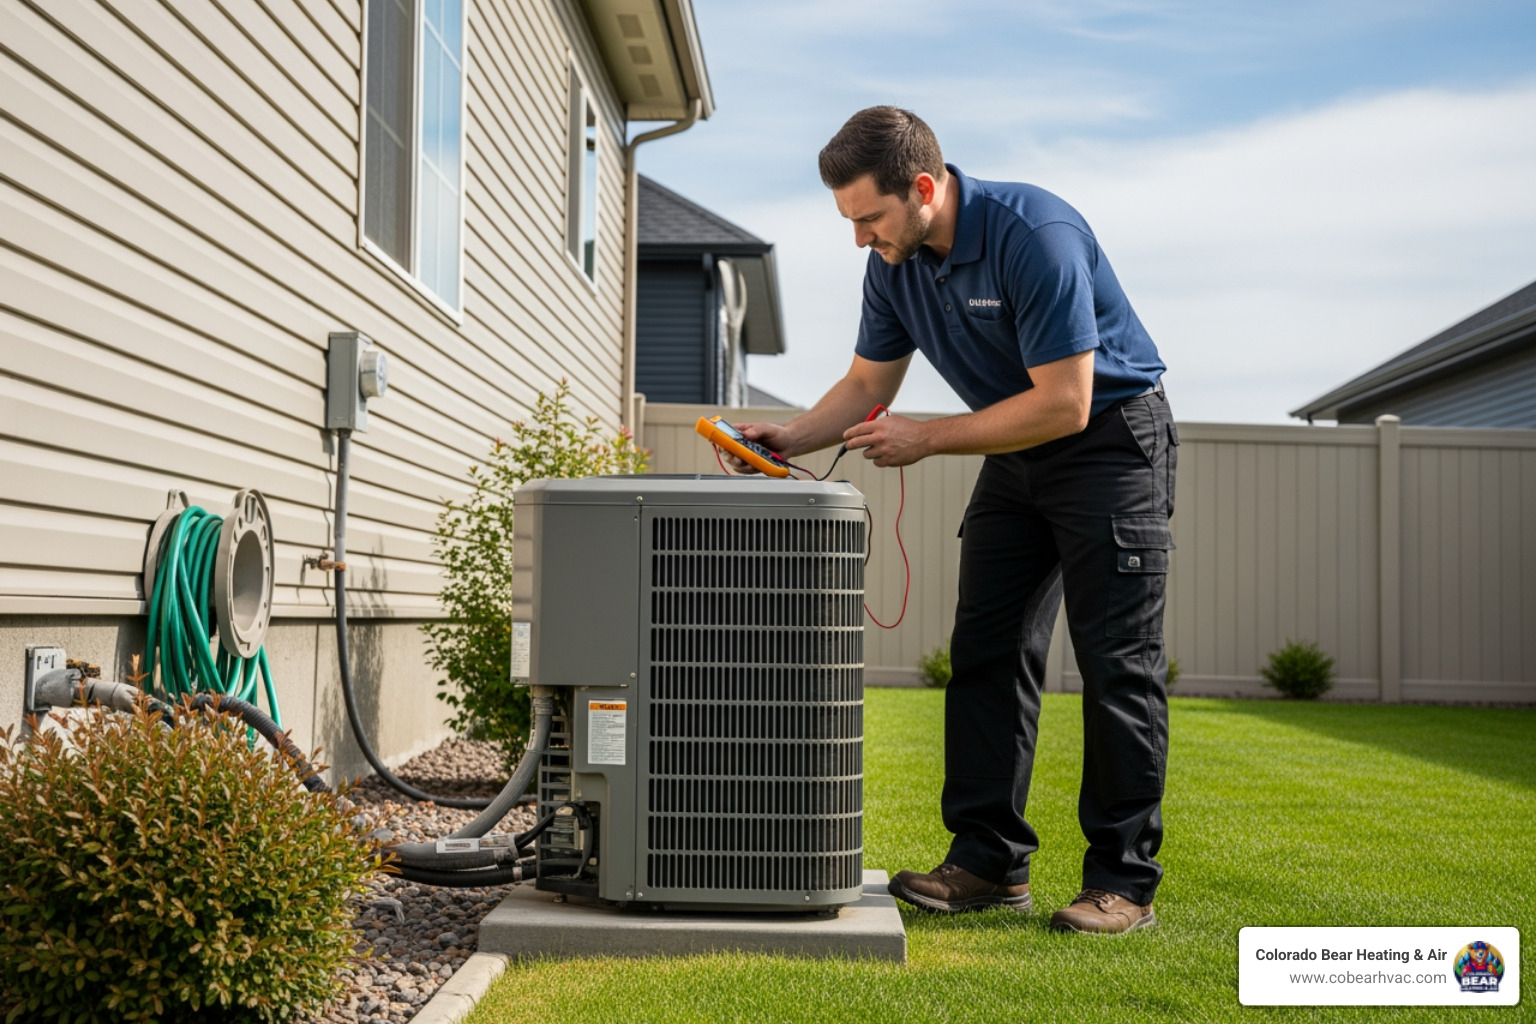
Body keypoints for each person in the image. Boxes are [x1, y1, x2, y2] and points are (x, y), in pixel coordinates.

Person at [729, 106, 1176, 934]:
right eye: (849, 220)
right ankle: (987, 862)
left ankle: (1122, 885)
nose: (860, 237)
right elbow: (869, 385)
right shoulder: (895, 265)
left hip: (1110, 440)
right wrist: (784, 436)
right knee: (985, 652)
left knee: (1119, 667)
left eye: (869, 217)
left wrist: (929, 438)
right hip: (1018, 446)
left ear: (924, 187)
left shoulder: (1034, 235)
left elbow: (1068, 402)